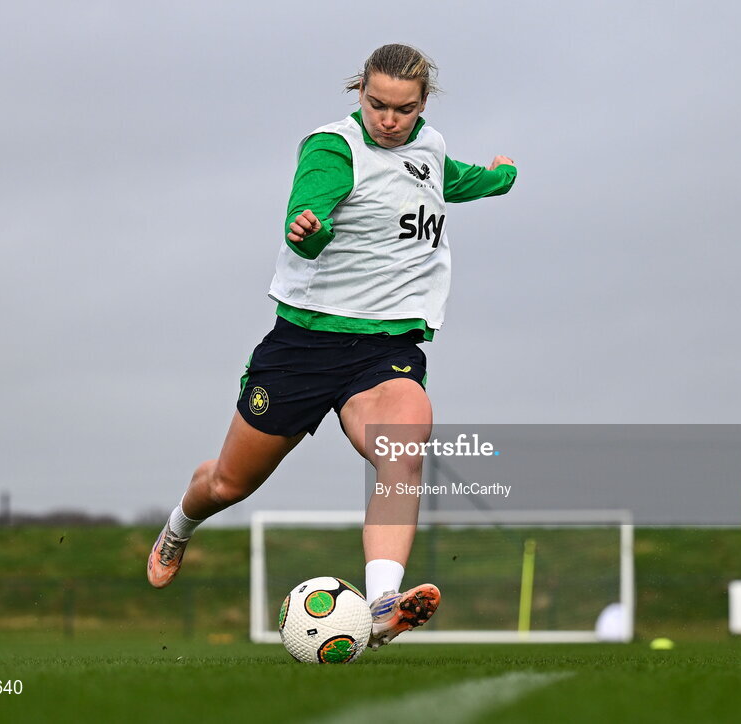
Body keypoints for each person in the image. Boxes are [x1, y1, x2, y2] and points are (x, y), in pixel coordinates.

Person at [146, 43, 517, 649]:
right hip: (305, 346)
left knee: (407, 442)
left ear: (423, 104)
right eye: (377, 106)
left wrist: (501, 177)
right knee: (227, 486)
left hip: (386, 349)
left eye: (403, 109)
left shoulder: (429, 148)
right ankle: (177, 527)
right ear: (359, 95)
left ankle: (381, 605)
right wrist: (308, 230)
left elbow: (457, 181)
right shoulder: (332, 148)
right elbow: (309, 209)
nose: (389, 120)